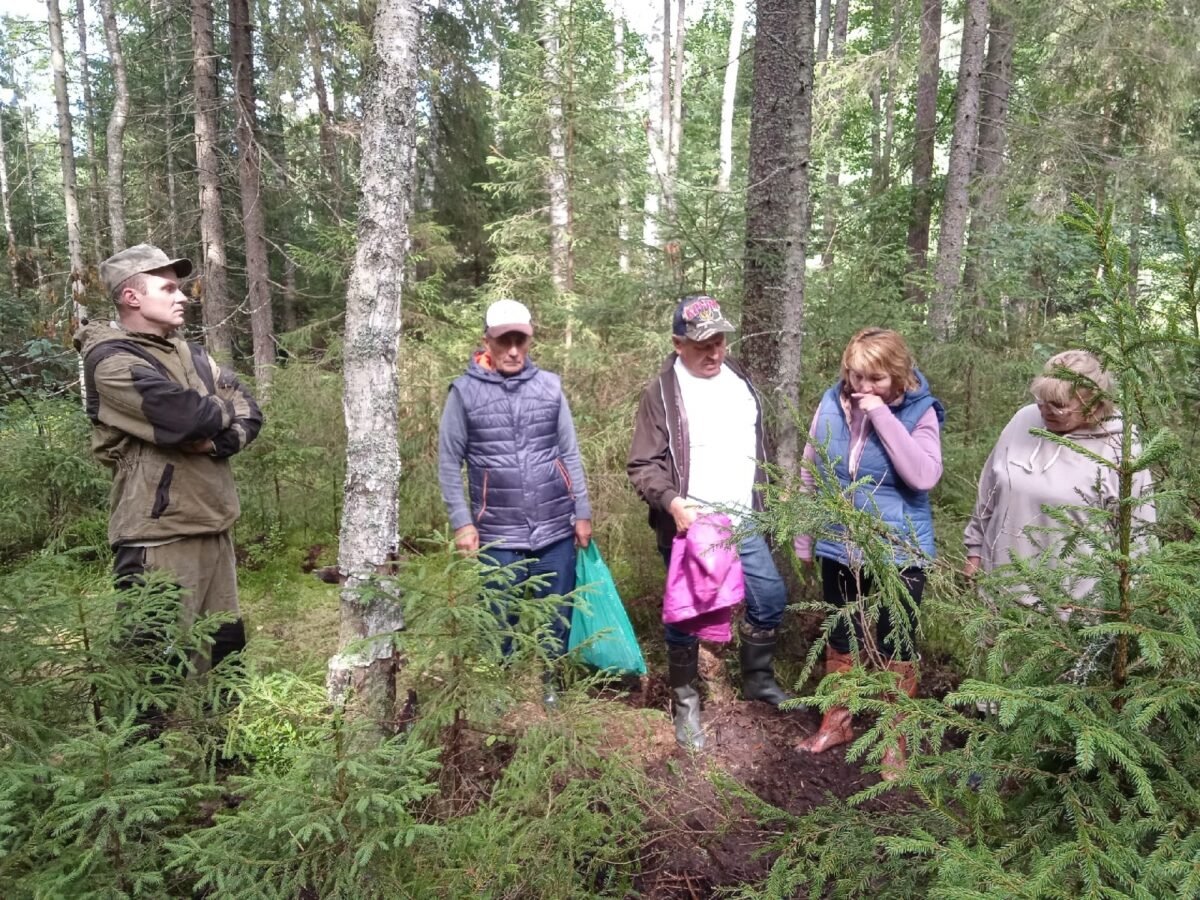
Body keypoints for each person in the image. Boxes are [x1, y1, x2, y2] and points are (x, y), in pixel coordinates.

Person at [75, 243, 263, 683]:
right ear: (132, 297)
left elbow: (250, 410)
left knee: (224, 656)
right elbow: (187, 418)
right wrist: (211, 413)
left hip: (214, 525)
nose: (183, 297)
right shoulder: (111, 360)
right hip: (157, 537)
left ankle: (221, 751)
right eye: (169, 288)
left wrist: (215, 443)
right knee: (154, 665)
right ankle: (148, 751)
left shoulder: (192, 354)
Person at [628, 295, 791, 750]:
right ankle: (685, 702)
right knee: (686, 614)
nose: (714, 352)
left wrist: (769, 487)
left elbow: (757, 438)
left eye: (719, 341)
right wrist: (672, 502)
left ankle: (757, 679)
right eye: (703, 344)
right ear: (678, 343)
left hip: (743, 518)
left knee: (770, 597)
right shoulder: (661, 393)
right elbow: (643, 464)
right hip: (692, 523)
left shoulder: (739, 377)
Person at [793, 328, 943, 780]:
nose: (862, 388)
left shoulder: (920, 411)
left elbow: (923, 475)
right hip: (840, 543)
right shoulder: (831, 402)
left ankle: (894, 740)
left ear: (897, 375)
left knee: (897, 640)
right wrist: (805, 535)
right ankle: (836, 724)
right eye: (856, 376)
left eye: (875, 379)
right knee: (842, 634)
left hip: (901, 550)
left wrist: (881, 415)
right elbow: (810, 465)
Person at [438, 298, 592, 702]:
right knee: (497, 611)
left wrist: (582, 511)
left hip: (555, 524)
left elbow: (569, 452)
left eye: (519, 341)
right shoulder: (464, 393)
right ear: (486, 341)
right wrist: (463, 522)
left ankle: (550, 679)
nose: (512, 350)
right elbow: (449, 461)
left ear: (529, 341)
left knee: (557, 609)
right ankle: (500, 683)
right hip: (496, 530)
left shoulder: (550, 387)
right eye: (503, 340)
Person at [963, 350, 1154, 616]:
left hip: (1076, 606)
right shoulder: (1023, 420)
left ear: (1094, 404)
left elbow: (1139, 532)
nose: (1046, 411)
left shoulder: (1120, 448)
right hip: (1002, 590)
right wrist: (974, 551)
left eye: (1059, 405)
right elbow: (989, 491)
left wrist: (1131, 601)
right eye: (1042, 400)